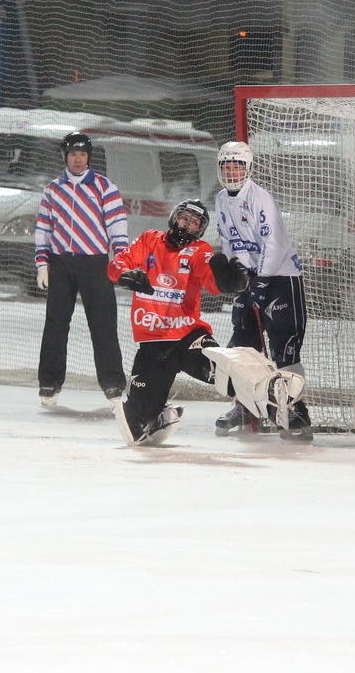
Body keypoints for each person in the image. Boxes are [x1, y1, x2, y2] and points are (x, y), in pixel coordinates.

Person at [106, 199, 248, 444]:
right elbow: (116, 264)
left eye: (195, 223)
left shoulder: (199, 249)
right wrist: (125, 275)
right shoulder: (149, 239)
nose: (187, 225)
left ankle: (272, 402)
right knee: (135, 425)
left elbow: (211, 279)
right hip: (152, 344)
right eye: (184, 218)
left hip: (187, 337)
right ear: (174, 218)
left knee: (227, 375)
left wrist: (227, 281)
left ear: (200, 230)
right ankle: (158, 414)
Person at [212, 139, 313, 440]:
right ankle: (246, 405)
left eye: (237, 166)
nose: (231, 172)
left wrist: (263, 280)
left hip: (280, 277)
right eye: (226, 167)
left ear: (248, 168)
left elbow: (274, 243)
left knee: (284, 345)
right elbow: (229, 240)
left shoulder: (261, 198)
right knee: (244, 344)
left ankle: (295, 411)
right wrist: (238, 272)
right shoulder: (221, 199)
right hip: (251, 278)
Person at [33, 132, 129, 406]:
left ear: (89, 157)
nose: (78, 159)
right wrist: (42, 264)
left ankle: (113, 384)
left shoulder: (105, 187)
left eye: (82, 154)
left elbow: (117, 227)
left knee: (103, 324)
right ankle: (49, 383)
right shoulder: (53, 189)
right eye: (73, 154)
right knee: (55, 324)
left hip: (95, 263)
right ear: (65, 157)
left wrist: (121, 261)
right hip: (60, 263)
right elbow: (43, 229)